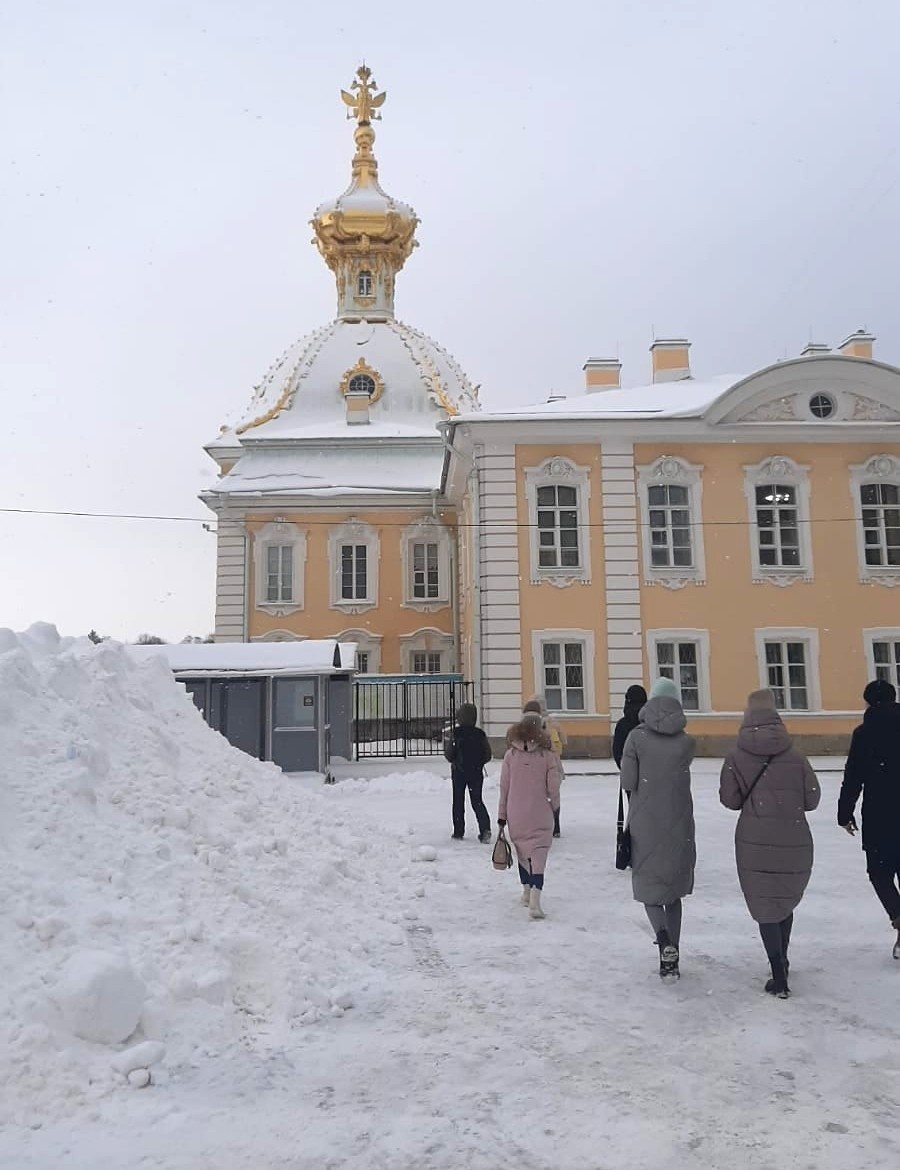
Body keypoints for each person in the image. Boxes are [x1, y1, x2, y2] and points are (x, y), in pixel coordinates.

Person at [720, 689, 820, 999]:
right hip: (793, 836)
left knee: (765, 903)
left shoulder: (736, 756)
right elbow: (812, 799)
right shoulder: (795, 755)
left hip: (754, 839)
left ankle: (777, 971)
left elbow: (730, 800)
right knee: (784, 897)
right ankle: (783, 959)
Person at [619, 677, 696, 979]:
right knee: (673, 893)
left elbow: (628, 782)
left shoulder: (636, 739)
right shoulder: (685, 741)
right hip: (678, 821)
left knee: (651, 890)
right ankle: (673, 952)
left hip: (646, 822)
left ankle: (663, 941)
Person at [838, 679, 900, 961]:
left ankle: (899, 919)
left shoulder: (864, 733)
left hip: (879, 814)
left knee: (879, 872)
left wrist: (844, 812)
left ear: (868, 702)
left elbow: (853, 775)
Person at [498, 712, 562, 919]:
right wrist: (555, 807)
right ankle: (535, 899)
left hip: (516, 813)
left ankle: (526, 891)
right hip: (539, 812)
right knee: (539, 853)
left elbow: (504, 789)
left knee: (523, 853)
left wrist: (502, 817)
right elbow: (553, 787)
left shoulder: (510, 756)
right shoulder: (547, 756)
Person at [443, 702, 492, 843]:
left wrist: (455, 760)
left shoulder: (456, 734)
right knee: (477, 801)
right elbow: (487, 755)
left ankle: (458, 831)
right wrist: (479, 762)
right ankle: (485, 829)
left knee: (458, 801)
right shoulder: (480, 734)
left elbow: (450, 755)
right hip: (476, 773)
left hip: (459, 772)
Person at [523, 695, 566, 836]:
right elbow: (563, 741)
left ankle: (539, 824)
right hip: (553, 763)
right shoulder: (552, 723)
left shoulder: (530, 727)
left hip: (540, 765)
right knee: (553, 794)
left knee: (536, 795)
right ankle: (556, 825)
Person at [613, 685, 648, 771]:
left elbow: (617, 752)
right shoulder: (651, 722)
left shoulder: (622, 724)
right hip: (649, 775)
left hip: (628, 771)